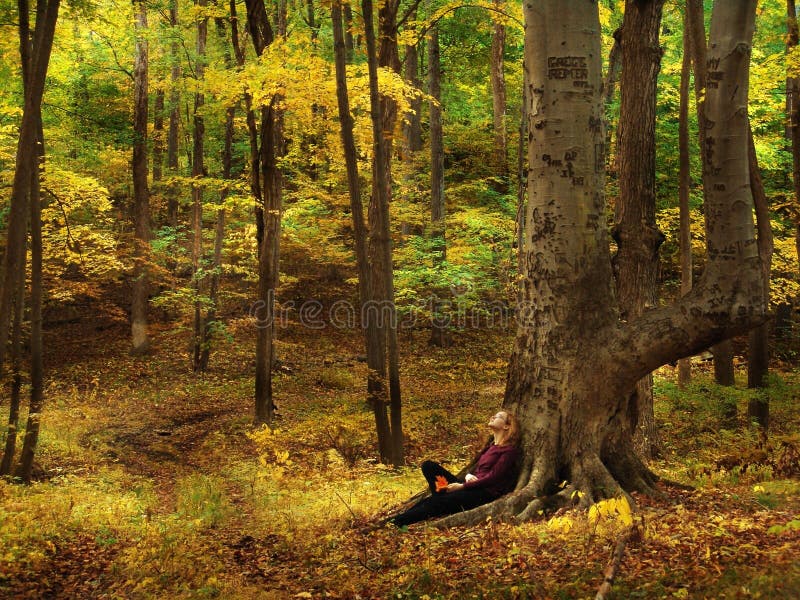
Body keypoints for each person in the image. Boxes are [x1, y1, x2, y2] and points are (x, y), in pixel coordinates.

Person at [392, 410, 520, 527]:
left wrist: (462, 486)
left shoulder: (509, 451)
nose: (493, 416)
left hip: (482, 494)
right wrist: (468, 476)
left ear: (506, 426)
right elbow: (477, 471)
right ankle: (442, 495)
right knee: (429, 466)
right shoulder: (490, 447)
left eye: (498, 416)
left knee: (433, 503)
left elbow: (493, 477)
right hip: (470, 487)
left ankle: (396, 523)